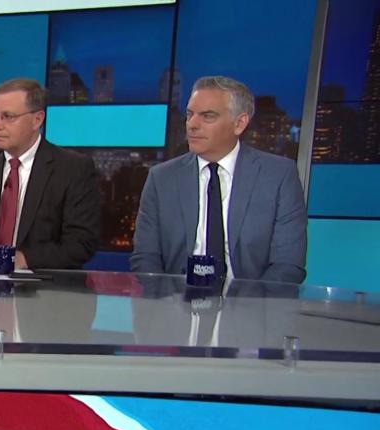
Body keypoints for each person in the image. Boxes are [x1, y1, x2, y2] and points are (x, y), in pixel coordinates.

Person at [130, 75, 307, 283]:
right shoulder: (161, 178)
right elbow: (145, 258)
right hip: (174, 299)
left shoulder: (278, 176)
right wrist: (165, 298)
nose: (192, 124)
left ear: (239, 124)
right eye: (190, 114)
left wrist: (248, 302)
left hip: (251, 300)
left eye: (207, 116)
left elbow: (288, 265)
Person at [0, 78, 100, 271]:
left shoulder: (73, 169)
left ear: (37, 119)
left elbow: (81, 242)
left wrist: (21, 259)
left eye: (8, 116)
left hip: (45, 286)